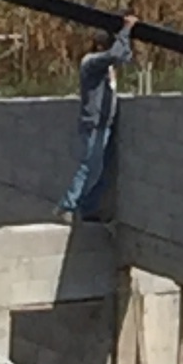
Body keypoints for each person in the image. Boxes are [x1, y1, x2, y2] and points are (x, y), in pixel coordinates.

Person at [57, 17, 136, 220]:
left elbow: (124, 55)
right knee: (89, 167)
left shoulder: (107, 67)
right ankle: (68, 206)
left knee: (101, 171)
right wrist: (126, 30)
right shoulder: (91, 62)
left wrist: (125, 37)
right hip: (93, 124)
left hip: (105, 124)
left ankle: (88, 209)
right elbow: (116, 54)